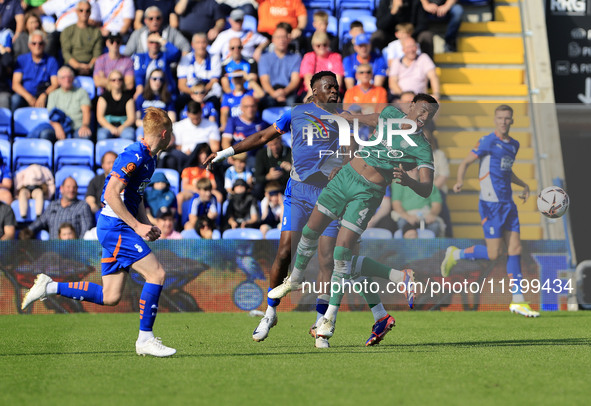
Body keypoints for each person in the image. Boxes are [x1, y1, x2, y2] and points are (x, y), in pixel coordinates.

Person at [205, 71, 402, 348]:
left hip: (330, 195)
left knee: (326, 261)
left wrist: (343, 169)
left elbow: (352, 154)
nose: (334, 91)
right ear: (314, 90)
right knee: (285, 251)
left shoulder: (343, 118)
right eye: (328, 87)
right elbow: (262, 136)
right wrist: (226, 153)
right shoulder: (296, 113)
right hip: (298, 192)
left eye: (336, 87)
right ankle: (270, 312)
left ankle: (321, 324)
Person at [268, 93, 439, 345]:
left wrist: (409, 180)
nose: (424, 118)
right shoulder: (391, 114)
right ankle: (384, 307)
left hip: (367, 193)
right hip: (345, 177)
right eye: (422, 111)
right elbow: (372, 118)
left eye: (429, 115)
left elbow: (426, 188)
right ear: (411, 106)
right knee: (334, 251)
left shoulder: (422, 147)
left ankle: (329, 319)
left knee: (340, 256)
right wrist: (350, 117)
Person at [22, 107, 177, 357]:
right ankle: (145, 340)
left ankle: (49, 287)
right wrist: (137, 226)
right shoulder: (134, 154)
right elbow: (110, 194)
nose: (172, 138)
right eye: (171, 133)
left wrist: (146, 222)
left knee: (110, 295)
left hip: (120, 226)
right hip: (115, 227)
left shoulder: (150, 157)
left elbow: (134, 196)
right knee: (157, 274)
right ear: (164, 132)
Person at [440, 104, 538, 318]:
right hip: (490, 203)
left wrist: (524, 185)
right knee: (495, 253)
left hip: (508, 203)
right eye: (500, 118)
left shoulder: (514, 145)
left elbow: (506, 169)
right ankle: (456, 254)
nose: (503, 121)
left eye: (507, 118)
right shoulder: (487, 141)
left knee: (515, 248)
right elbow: (466, 162)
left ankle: (518, 300)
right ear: (495, 120)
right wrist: (459, 181)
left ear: (512, 121)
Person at [27, 176, 94, 239]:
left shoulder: (83, 206)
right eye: (68, 187)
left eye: (74, 187)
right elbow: (40, 222)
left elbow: (86, 231)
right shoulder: (52, 205)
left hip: (74, 248)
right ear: (61, 188)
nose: (71, 190)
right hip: (53, 248)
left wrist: (79, 247)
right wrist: (27, 232)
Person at [11, 30, 59, 111]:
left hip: (44, 95)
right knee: (15, 100)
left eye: (40, 43)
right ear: (29, 45)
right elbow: (15, 84)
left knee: (53, 100)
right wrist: (28, 97)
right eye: (34, 43)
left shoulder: (51, 60)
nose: (37, 46)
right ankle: (12, 123)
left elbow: (55, 84)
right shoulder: (21, 59)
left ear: (45, 45)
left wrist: (44, 95)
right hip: (25, 96)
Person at [391, 166, 445, 237]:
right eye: (411, 169)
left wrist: (432, 214)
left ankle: (428, 247)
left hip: (425, 215)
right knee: (402, 223)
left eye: (416, 169)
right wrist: (407, 217)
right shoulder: (398, 183)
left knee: (435, 226)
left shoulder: (429, 184)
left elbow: (437, 204)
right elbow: (396, 204)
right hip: (407, 215)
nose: (414, 171)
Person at [258, 23, 302, 108]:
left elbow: (295, 80)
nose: (281, 40)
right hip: (271, 92)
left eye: (284, 37)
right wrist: (274, 94)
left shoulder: (296, 58)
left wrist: (285, 92)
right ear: (273, 40)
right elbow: (264, 80)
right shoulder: (264, 58)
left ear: (288, 39)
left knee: (292, 104)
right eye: (278, 37)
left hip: (288, 92)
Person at [45, 66, 92, 141]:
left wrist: (85, 125)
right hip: (60, 126)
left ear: (73, 78)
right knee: (45, 134)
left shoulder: (81, 92)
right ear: (59, 80)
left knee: (85, 135)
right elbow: (51, 115)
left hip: (77, 127)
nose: (67, 80)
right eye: (63, 77)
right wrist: (57, 127)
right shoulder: (53, 94)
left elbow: (86, 111)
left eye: (69, 77)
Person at [123, 6, 190, 57]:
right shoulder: (138, 33)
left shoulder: (171, 31)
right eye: (151, 19)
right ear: (145, 21)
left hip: (166, 68)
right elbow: (127, 53)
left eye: (158, 18)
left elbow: (186, 46)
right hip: (144, 70)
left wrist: (161, 40)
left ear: (162, 19)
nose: (154, 21)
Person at [60, 0, 103, 76]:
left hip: (90, 66)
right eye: (81, 10)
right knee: (64, 74)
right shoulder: (67, 31)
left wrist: (89, 66)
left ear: (90, 13)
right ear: (76, 12)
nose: (84, 13)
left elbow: (97, 54)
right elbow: (66, 53)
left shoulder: (96, 32)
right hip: (72, 65)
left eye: (87, 11)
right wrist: (78, 66)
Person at [132, 31, 180, 98]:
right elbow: (139, 75)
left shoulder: (165, 56)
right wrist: (139, 87)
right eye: (151, 42)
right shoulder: (140, 57)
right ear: (147, 43)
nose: (154, 45)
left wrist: (160, 39)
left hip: (165, 94)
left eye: (157, 42)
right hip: (146, 94)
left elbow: (176, 52)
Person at [177, 33, 222, 102]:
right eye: (198, 43)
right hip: (190, 93)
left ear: (207, 44)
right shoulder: (185, 59)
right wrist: (195, 94)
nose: (201, 46)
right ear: (192, 45)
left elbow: (214, 80)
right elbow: (181, 84)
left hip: (208, 93)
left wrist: (201, 93)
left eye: (203, 42)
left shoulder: (214, 57)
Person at [299, 32, 344, 99]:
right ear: (313, 46)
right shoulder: (309, 57)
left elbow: (338, 78)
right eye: (318, 45)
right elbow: (308, 77)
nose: (322, 47)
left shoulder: (336, 57)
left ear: (328, 44)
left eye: (324, 45)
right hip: (312, 90)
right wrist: (312, 92)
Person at [96, 70, 136, 141]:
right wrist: (111, 128)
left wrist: (121, 128)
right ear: (109, 82)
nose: (117, 82)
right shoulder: (103, 97)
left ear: (123, 81)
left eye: (119, 79)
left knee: (129, 135)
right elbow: (100, 117)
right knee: (102, 136)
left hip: (124, 126)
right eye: (113, 80)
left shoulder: (128, 98)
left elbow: (131, 118)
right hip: (107, 126)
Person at [253, 135, 291, 200]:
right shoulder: (261, 154)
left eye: (276, 143)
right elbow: (257, 177)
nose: (274, 147)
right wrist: (269, 176)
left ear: (280, 140)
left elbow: (300, 175)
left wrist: (291, 169)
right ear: (267, 144)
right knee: (257, 187)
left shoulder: (290, 152)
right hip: (267, 184)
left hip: (285, 184)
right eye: (271, 145)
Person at [86, 151, 117, 215]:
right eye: (109, 163)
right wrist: (94, 207)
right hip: (101, 212)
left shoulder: (125, 180)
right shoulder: (95, 181)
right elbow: (89, 197)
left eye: (114, 162)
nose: (112, 165)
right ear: (103, 165)